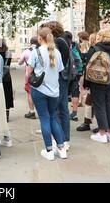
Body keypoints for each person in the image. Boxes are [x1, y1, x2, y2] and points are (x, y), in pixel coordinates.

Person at [26, 26, 67, 161]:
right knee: (53, 117)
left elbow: (28, 73)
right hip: (54, 90)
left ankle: (49, 150)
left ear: (40, 38)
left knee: (44, 118)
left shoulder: (35, 52)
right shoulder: (57, 52)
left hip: (39, 90)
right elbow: (60, 69)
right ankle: (61, 149)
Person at [84, 29, 110, 143]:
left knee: (99, 106)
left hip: (96, 82)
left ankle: (102, 134)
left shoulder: (94, 49)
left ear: (100, 37)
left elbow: (87, 68)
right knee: (109, 105)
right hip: (109, 81)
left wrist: (86, 84)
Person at [40, 21, 70, 150]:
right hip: (61, 78)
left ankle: (62, 139)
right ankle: (63, 138)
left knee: (58, 110)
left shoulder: (58, 43)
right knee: (61, 109)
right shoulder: (62, 41)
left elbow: (58, 65)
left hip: (59, 79)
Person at [77, 33, 97, 132]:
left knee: (96, 103)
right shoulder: (94, 49)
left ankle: (100, 125)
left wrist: (86, 82)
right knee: (89, 101)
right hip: (97, 80)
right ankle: (87, 122)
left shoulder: (93, 50)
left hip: (95, 80)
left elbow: (88, 66)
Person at [63, 31, 83, 121]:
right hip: (75, 74)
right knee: (75, 93)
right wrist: (78, 70)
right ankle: (74, 113)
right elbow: (79, 60)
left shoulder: (64, 46)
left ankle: (64, 113)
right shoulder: (75, 46)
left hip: (66, 74)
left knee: (64, 93)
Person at [17, 37, 38, 119]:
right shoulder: (42, 50)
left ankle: (32, 111)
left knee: (30, 93)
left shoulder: (26, 52)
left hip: (29, 75)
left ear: (30, 43)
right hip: (41, 76)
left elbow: (19, 63)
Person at [0, 39, 14, 122]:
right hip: (7, 77)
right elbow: (8, 64)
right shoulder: (9, 53)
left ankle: (0, 114)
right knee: (7, 95)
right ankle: (7, 115)